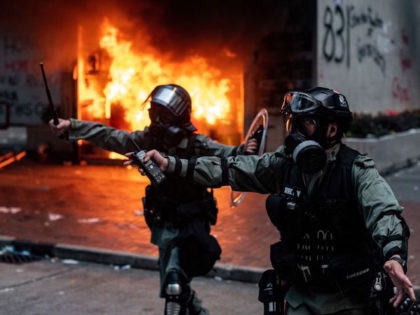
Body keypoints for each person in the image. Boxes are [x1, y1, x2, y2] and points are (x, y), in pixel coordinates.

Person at [140, 87, 417, 314]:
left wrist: (393, 255)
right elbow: (230, 169)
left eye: (304, 124)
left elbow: (385, 213)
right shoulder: (283, 165)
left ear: (331, 130)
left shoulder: (356, 170)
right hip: (299, 298)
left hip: (349, 301)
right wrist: (173, 164)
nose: (293, 132)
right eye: (291, 123)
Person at [49, 84, 257, 315]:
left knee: (176, 282)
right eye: (153, 112)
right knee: (173, 284)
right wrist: (73, 126)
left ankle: (192, 306)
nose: (156, 120)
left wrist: (243, 150)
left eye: (163, 115)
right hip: (164, 222)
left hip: (192, 223)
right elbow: (109, 136)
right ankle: (194, 308)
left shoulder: (198, 144)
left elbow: (228, 156)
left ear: (178, 116)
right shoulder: (148, 141)